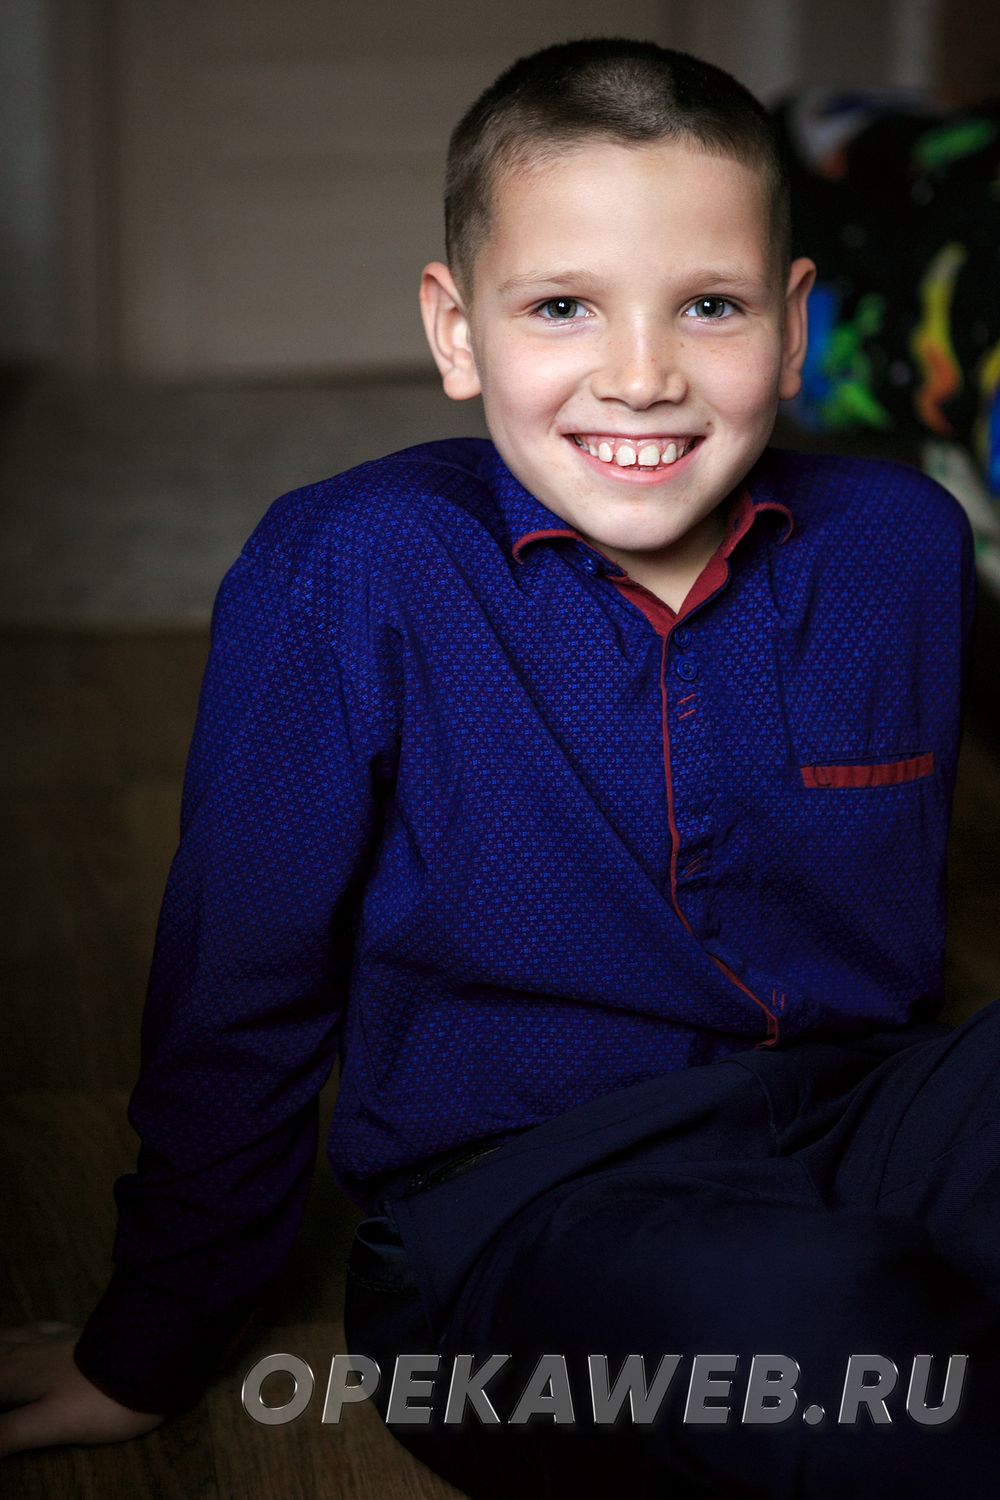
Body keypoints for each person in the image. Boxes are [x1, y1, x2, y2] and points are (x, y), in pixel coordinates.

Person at [1, 36, 997, 1497]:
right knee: (817, 1329)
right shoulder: (349, 568)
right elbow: (242, 982)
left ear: (793, 328)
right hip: (525, 1205)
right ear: (456, 329)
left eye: (709, 305)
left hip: (861, 1114)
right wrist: (148, 1337)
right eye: (562, 307)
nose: (643, 377)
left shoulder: (901, 544)